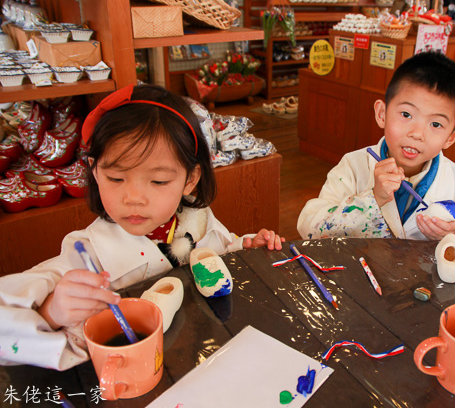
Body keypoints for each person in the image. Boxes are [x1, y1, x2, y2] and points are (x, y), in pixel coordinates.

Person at [0, 84, 284, 370]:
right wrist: (51, 313)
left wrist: (245, 247)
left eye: (158, 181)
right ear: (95, 170)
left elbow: (220, 249)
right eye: (116, 178)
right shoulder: (86, 255)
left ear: (190, 179)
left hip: (200, 357)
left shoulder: (198, 219)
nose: (133, 198)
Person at [297, 51, 455, 244]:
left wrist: (452, 238)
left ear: (451, 137)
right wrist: (372, 199)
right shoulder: (354, 165)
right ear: (382, 114)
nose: (417, 134)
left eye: (436, 124)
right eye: (406, 115)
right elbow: (309, 229)